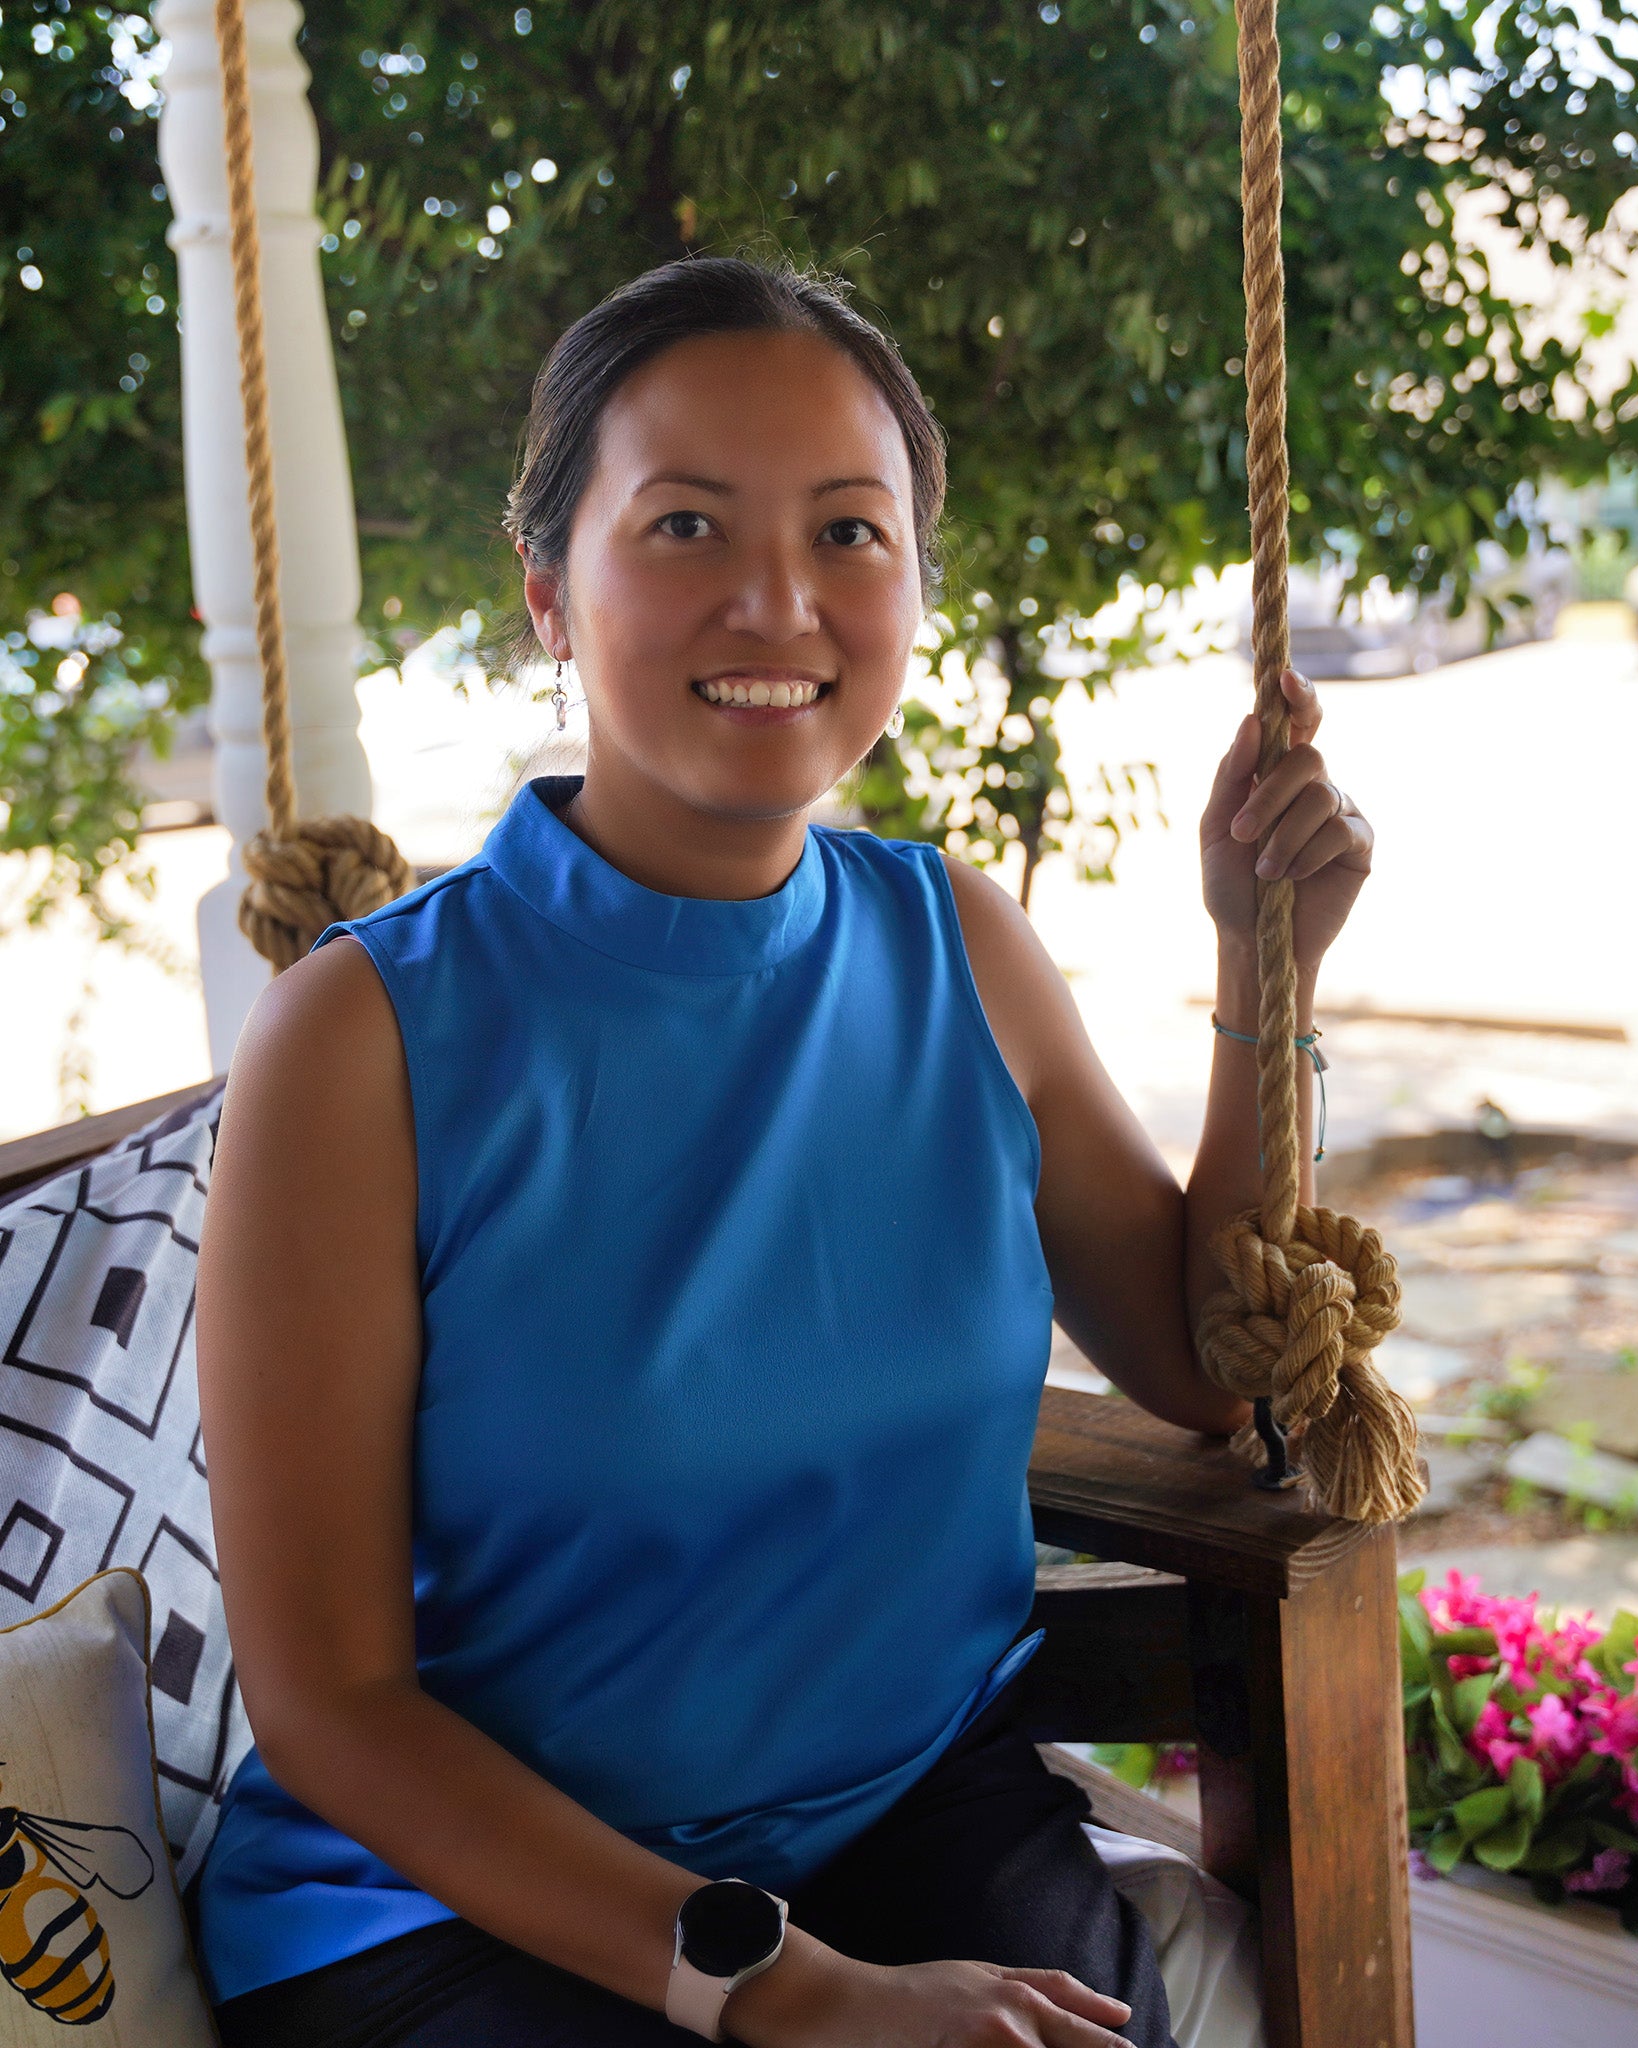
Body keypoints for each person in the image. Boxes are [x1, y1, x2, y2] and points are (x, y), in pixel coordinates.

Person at [192, 256, 1376, 2048]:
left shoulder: (954, 946)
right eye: (682, 526)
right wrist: (792, 1994)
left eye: (849, 533)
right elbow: (334, 1703)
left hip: (907, 1809)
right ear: (545, 594)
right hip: (461, 1896)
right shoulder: (362, 1043)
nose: (777, 602)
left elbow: (1204, 1370)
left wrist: (1259, 953)